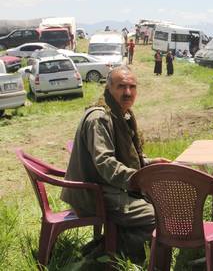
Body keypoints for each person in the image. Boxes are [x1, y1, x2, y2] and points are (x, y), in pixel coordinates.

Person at [61, 66, 169, 263]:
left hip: (108, 188)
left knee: (165, 201)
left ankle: (107, 247)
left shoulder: (119, 114)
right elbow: (105, 162)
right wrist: (136, 179)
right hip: (95, 194)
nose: (128, 92)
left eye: (132, 87)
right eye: (121, 86)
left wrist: (149, 162)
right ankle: (116, 256)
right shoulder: (100, 118)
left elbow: (121, 155)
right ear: (109, 88)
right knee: (159, 216)